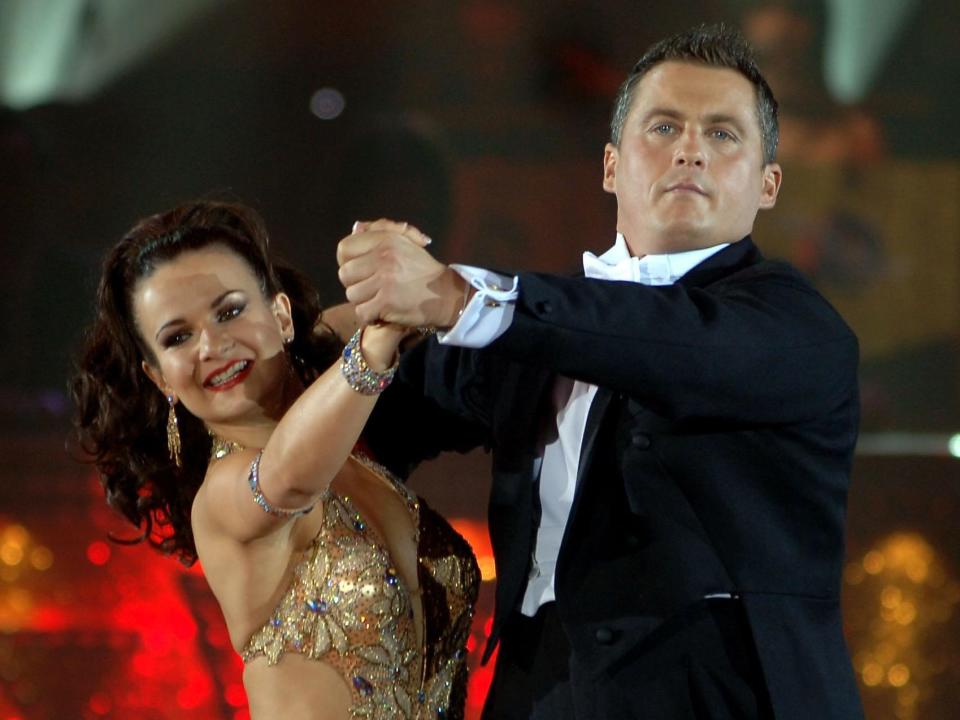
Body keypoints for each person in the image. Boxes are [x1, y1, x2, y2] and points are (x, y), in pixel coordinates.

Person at [336, 24, 863, 720]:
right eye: (665, 125)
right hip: (539, 693)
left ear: (768, 185)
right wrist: (320, 332)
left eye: (723, 134)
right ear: (611, 166)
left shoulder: (796, 331)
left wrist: (453, 296)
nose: (690, 151)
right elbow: (379, 417)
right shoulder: (533, 329)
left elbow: (665, 342)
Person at [70, 200, 480, 720]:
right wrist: (378, 339)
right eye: (178, 337)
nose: (213, 345)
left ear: (281, 314)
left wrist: (392, 266)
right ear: (159, 378)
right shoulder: (223, 497)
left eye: (230, 310)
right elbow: (287, 479)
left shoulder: (336, 429)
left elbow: (360, 320)